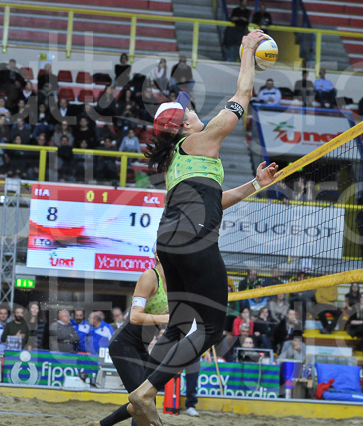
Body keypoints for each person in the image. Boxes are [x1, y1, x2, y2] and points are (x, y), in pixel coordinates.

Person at [128, 30, 281, 425]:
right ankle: (145, 393)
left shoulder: (180, 162)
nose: (193, 110)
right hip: (194, 238)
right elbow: (243, 96)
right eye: (189, 111)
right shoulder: (200, 141)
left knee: (180, 325)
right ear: (183, 127)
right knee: (212, 326)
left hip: (169, 240)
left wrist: (254, 186)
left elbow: (215, 198)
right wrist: (247, 52)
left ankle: (143, 400)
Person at [91, 251, 169, 426]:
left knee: (146, 399)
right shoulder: (150, 276)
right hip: (123, 344)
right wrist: (165, 318)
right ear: (158, 254)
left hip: (141, 347)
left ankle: (101, 425)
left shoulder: (173, 282)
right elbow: (135, 317)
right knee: (143, 400)